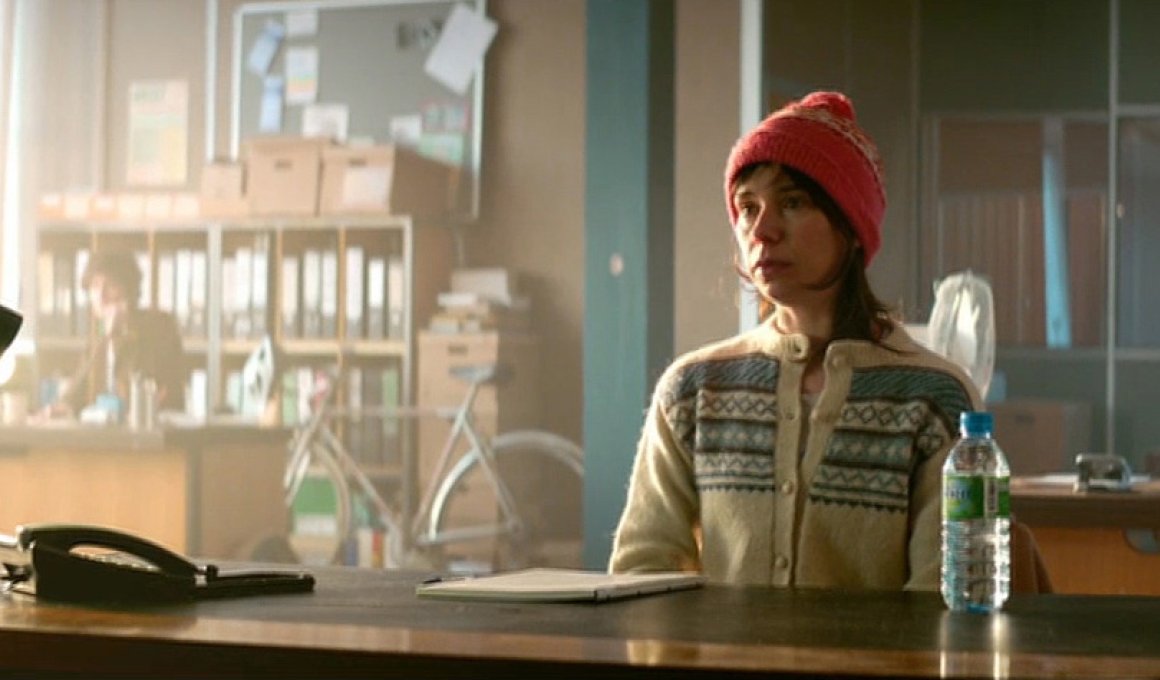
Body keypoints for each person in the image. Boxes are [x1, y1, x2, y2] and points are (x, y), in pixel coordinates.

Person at [608, 91, 982, 590]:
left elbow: (948, 596)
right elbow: (641, 571)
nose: (762, 230)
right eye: (747, 207)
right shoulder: (693, 389)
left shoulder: (936, 398)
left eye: (792, 203)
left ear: (851, 225)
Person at [44, 250, 186, 418]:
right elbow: (78, 391)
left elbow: (142, 388)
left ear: (129, 290)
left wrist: (123, 332)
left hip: (154, 429)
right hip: (110, 430)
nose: (101, 295)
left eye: (110, 285)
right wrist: (63, 406)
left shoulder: (158, 326)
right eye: (95, 286)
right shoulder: (99, 334)